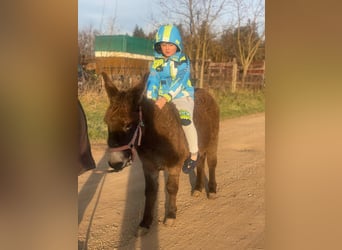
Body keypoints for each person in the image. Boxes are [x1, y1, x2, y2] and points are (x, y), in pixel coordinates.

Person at [146, 24, 198, 174]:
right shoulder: (156, 63)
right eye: (163, 44)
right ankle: (157, 153)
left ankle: (194, 154)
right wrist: (150, 99)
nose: (167, 48)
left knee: (185, 119)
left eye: (170, 44)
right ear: (159, 46)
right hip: (161, 97)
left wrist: (165, 97)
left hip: (182, 96)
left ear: (177, 44)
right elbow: (153, 80)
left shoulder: (183, 60)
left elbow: (181, 80)